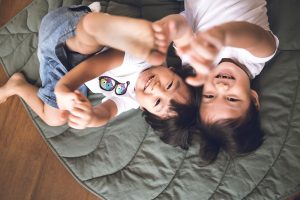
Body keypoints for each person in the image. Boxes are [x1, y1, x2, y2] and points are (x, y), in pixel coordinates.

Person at [0, 3, 196, 132]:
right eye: (169, 85)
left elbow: (107, 112)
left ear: (145, 109)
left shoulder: (133, 99)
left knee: (55, 118)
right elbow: (91, 68)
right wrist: (63, 89)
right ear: (172, 70)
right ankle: (94, 25)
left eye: (157, 102)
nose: (157, 89)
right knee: (88, 49)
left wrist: (91, 117)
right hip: (64, 33)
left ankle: (17, 86)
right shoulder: (142, 58)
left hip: (67, 65)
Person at [152, 0, 279, 162]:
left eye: (210, 96)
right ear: (253, 99)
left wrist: (161, 33)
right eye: (232, 98)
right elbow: (254, 36)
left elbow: (179, 27)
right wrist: (221, 36)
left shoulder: (197, 66)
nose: (221, 86)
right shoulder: (257, 57)